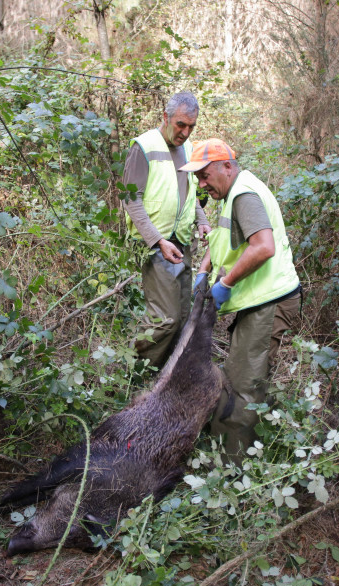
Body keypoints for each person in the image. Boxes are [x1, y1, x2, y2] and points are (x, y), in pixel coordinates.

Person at [179, 139, 302, 465]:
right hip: (256, 303)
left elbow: (263, 247)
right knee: (240, 376)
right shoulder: (232, 193)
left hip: (268, 302)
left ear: (227, 166)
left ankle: (231, 472)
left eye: (205, 176)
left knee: (243, 388)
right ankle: (231, 447)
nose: (202, 184)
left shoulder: (244, 195)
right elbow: (226, 240)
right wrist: (204, 269)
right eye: (198, 179)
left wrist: (225, 283)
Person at [121, 92, 212, 368]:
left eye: (191, 127)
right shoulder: (144, 147)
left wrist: (202, 219)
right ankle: (134, 370)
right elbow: (130, 198)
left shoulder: (188, 150)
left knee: (183, 318)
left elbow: (190, 194)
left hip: (182, 243)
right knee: (166, 320)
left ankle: (164, 375)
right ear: (166, 117)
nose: (185, 132)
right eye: (180, 125)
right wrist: (157, 240)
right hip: (155, 244)